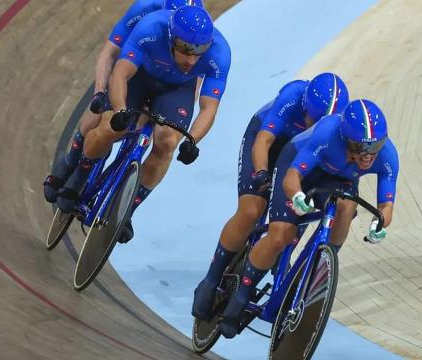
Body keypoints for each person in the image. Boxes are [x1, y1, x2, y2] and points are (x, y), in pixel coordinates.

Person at [47, 5, 231, 245]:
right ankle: (79, 172)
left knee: (167, 143)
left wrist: (192, 140)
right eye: (186, 50)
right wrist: (117, 107)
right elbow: (120, 72)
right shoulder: (150, 25)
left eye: (199, 51)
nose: (192, 59)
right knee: (110, 125)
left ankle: (127, 210)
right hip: (140, 75)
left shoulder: (219, 53)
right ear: (171, 37)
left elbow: (209, 107)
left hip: (176, 88)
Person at [216, 99, 399, 338]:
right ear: (346, 140)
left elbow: (386, 205)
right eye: (362, 147)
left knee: (347, 206)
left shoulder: (387, 155)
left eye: (376, 145)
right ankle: (242, 293)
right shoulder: (326, 135)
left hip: (339, 178)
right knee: (281, 234)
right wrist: (298, 196)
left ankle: (324, 259)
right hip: (300, 168)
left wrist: (380, 223)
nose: (369, 155)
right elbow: (292, 177)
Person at [191, 73, 350, 320]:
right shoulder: (292, 97)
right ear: (304, 107)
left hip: (302, 157)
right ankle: (211, 280)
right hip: (269, 143)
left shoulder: (336, 126)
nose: (314, 127)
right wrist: (262, 174)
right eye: (311, 120)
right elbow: (263, 141)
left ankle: (277, 260)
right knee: (252, 211)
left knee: (296, 214)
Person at [43, 0, 205, 204]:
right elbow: (110, 52)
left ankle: (124, 208)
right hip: (138, 66)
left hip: (173, 83)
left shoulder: (199, 32)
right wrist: (99, 93)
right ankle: (72, 162)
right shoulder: (146, 11)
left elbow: (197, 81)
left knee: (165, 138)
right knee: (103, 112)